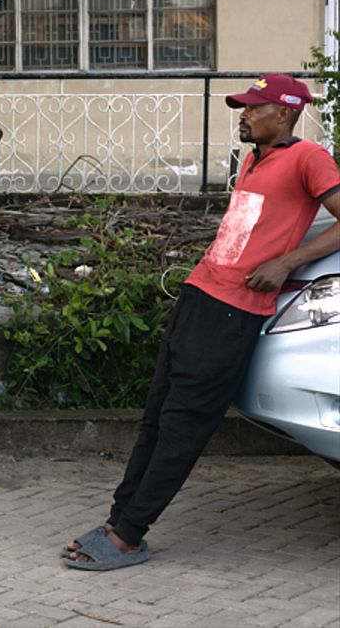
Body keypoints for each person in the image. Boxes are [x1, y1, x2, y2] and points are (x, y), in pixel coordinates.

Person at [63, 75, 340, 571]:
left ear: (285, 111)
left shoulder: (308, 159)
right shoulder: (255, 159)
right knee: (157, 418)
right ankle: (116, 522)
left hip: (234, 312)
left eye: (254, 108)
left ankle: (128, 536)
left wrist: (287, 262)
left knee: (182, 427)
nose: (244, 115)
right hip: (199, 297)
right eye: (243, 108)